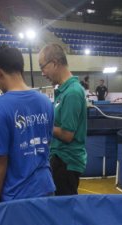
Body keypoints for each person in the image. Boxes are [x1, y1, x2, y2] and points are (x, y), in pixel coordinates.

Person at [0, 45, 55, 205]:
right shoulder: (45, 101)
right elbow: (46, 142)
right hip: (46, 187)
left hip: (19, 195)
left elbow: (0, 158)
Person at [39, 43, 87, 196]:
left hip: (67, 162)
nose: (42, 73)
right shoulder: (63, 90)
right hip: (60, 159)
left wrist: (43, 125)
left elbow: (67, 134)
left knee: (64, 210)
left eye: (43, 67)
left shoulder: (72, 92)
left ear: (54, 63)